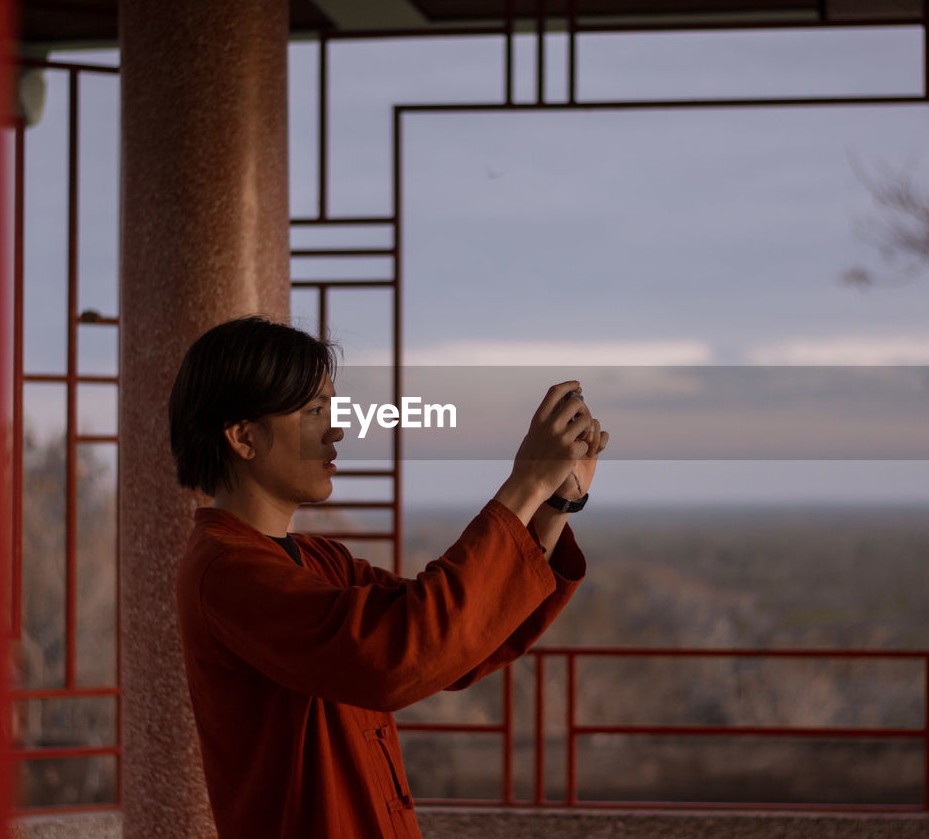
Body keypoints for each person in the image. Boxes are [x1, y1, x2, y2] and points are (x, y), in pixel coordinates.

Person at [169, 316, 608, 839]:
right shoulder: (227, 574)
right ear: (243, 437)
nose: (335, 428)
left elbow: (456, 641)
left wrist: (552, 501)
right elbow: (399, 653)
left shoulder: (319, 561)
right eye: (313, 410)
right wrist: (524, 485)